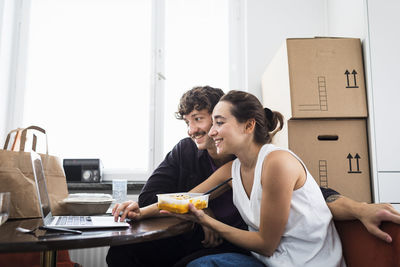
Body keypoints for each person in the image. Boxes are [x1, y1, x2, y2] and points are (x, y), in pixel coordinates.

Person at [107, 86, 400, 267]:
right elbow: (188, 198)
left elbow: (268, 241)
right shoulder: (231, 170)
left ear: (248, 126)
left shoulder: (276, 163)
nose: (208, 131)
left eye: (216, 122)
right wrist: (140, 211)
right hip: (269, 260)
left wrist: (208, 222)